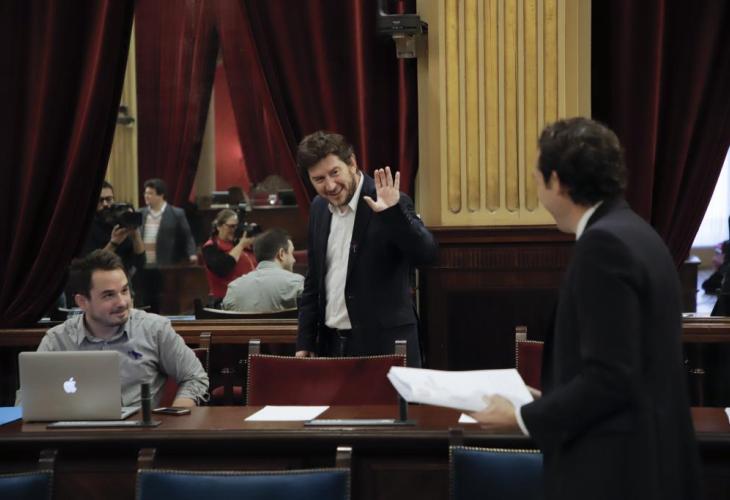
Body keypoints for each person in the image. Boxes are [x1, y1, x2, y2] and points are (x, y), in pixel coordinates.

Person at [469, 118, 701, 500]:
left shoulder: (602, 246)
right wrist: (552, 398)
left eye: (537, 177)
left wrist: (522, 416)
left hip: (617, 471)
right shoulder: (639, 232)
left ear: (556, 181)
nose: (536, 187)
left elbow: (611, 378)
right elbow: (628, 361)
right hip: (653, 458)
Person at [294, 131, 437, 366]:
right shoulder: (318, 208)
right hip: (332, 347)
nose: (330, 185)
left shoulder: (388, 200)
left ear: (352, 163)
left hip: (385, 347)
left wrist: (393, 214)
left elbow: (427, 254)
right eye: (319, 179)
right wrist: (305, 341)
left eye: (335, 172)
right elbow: (314, 279)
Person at [30, 250, 208, 408]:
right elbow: (28, 398)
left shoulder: (155, 329)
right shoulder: (57, 340)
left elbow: (195, 377)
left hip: (141, 431)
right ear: (82, 302)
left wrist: (175, 417)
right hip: (72, 432)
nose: (122, 302)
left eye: (124, 291)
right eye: (109, 295)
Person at [222, 228, 303, 312]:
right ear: (281, 254)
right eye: (291, 253)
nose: (294, 260)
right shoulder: (297, 283)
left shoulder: (233, 288)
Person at [81, 180, 145, 274]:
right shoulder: (86, 227)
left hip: (123, 277)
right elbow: (92, 266)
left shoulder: (121, 222)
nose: (105, 204)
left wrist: (135, 234)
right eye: (100, 200)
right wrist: (113, 243)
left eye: (109, 199)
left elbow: (140, 262)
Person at [201, 208, 257, 305]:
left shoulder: (238, 243)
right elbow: (223, 268)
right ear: (219, 226)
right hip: (224, 300)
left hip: (248, 297)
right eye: (231, 226)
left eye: (236, 227)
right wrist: (241, 245)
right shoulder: (210, 247)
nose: (234, 230)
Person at [140, 178, 198, 266]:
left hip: (166, 265)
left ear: (161, 195)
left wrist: (192, 254)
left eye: (150, 193)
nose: (146, 196)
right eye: (145, 193)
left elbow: (187, 236)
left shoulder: (176, 213)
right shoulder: (140, 213)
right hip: (143, 264)